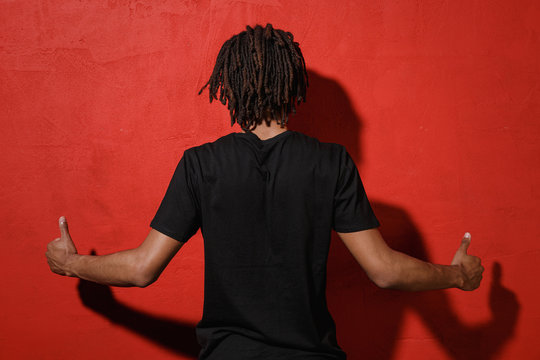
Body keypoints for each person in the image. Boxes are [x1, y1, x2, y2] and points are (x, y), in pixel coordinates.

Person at [46, 24, 484, 359]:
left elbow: (142, 268)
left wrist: (72, 264)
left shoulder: (202, 164)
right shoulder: (331, 163)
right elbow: (385, 270)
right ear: (292, 87)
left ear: (230, 88)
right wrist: (457, 275)